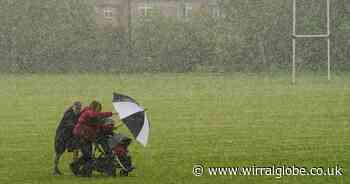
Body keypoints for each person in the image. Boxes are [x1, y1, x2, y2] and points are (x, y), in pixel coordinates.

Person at [70, 100, 114, 176]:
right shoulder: (89, 112)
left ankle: (77, 167)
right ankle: (80, 169)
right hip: (82, 135)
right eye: (98, 108)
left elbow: (97, 125)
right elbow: (95, 115)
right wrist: (110, 114)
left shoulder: (93, 114)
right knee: (87, 154)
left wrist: (110, 127)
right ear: (94, 107)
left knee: (88, 154)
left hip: (87, 136)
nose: (99, 110)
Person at [53, 101, 82, 176]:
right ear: (73, 108)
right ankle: (55, 169)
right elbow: (72, 125)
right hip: (62, 136)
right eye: (77, 108)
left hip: (70, 136)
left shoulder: (78, 114)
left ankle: (75, 167)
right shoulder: (68, 115)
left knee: (76, 149)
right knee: (59, 153)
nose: (78, 110)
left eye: (79, 109)